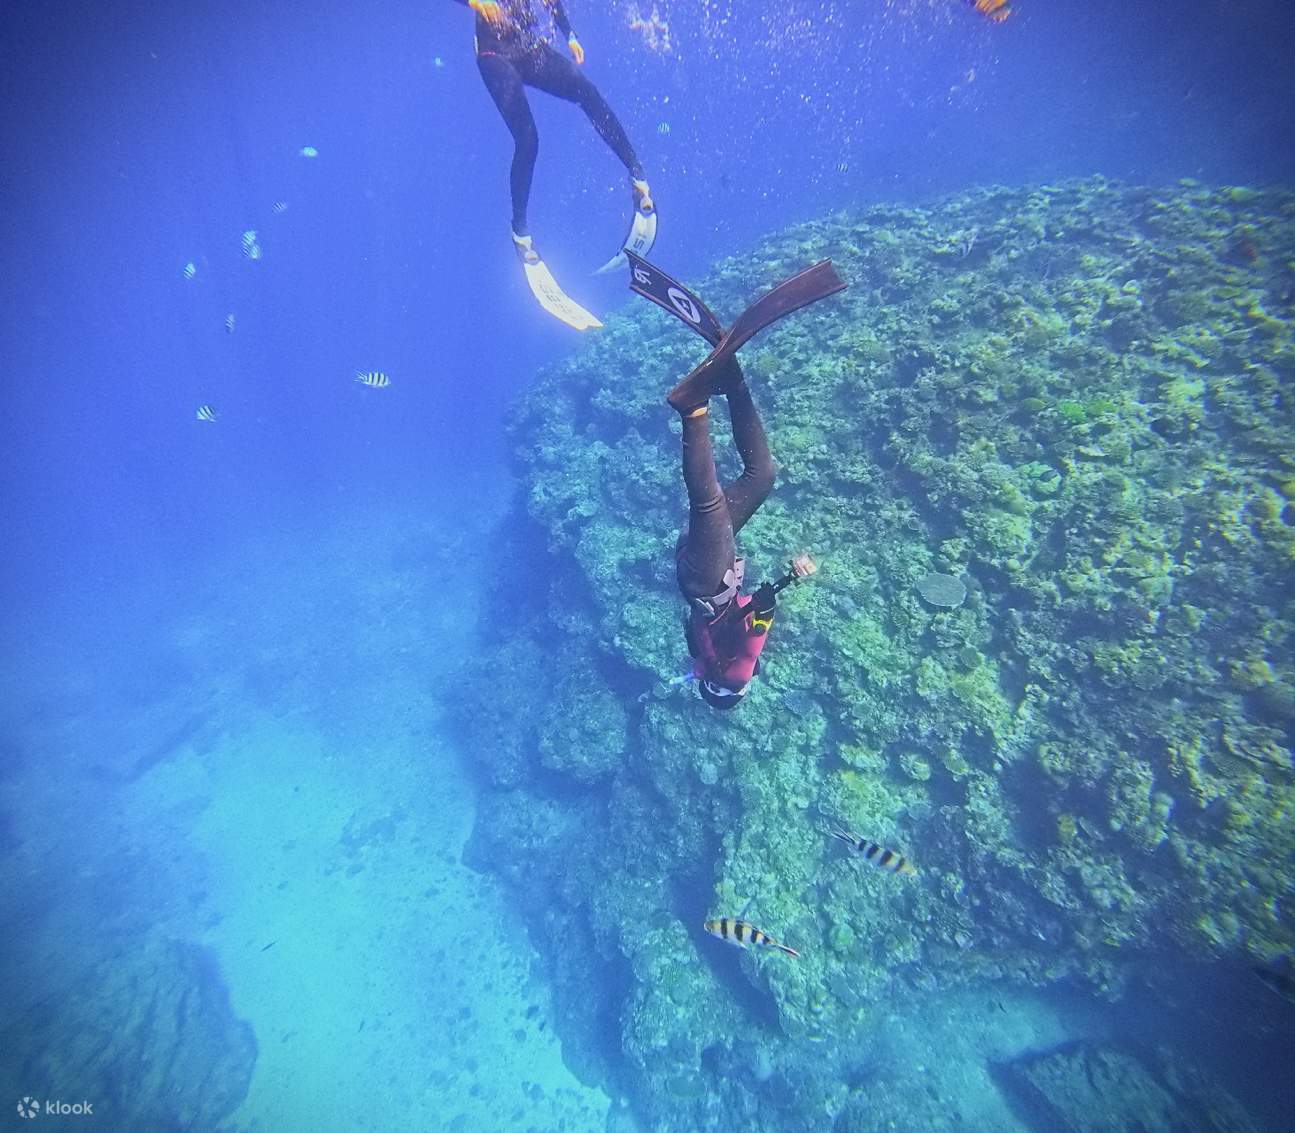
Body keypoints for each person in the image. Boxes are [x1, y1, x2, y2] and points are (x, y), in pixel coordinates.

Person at [623, 254, 846, 709]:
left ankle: (692, 408)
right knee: (761, 476)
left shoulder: (735, 669)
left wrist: (793, 581)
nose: (747, 682)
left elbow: (758, 621)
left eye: (740, 689)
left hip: (708, 573)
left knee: (707, 503)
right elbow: (758, 603)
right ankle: (734, 384)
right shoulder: (706, 660)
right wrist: (786, 581)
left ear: (730, 687)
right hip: (703, 569)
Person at [451, 0, 653, 265]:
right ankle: (520, 233)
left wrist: (569, 35)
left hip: (527, 47)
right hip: (494, 55)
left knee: (587, 93)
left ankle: (637, 176)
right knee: (528, 139)